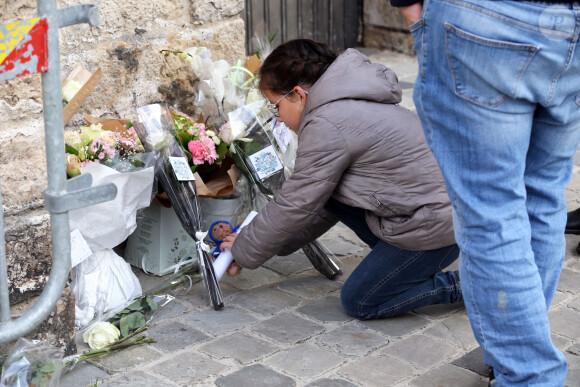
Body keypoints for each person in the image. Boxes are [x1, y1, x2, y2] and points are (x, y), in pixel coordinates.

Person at [393, 0, 580, 385]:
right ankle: (518, 349)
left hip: (486, 19)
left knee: (492, 213)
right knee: (542, 195)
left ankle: (529, 373)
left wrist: (410, 7)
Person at [220, 39, 463, 320]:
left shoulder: (327, 123)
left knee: (361, 300)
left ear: (298, 95)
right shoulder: (346, 100)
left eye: (276, 107)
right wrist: (260, 241)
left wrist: (245, 248)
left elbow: (296, 202)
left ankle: (469, 287)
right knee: (328, 194)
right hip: (432, 212)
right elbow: (318, 203)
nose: (279, 119)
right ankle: (406, 268)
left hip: (435, 225)